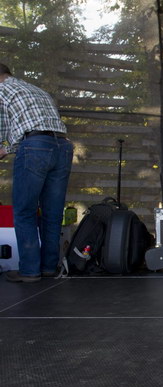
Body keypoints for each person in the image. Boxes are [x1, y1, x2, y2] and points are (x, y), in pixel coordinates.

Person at [0, 63, 74, 283]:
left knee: (25, 211)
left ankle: (29, 270)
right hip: (63, 146)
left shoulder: (2, 90)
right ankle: (49, 267)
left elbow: (3, 126)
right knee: (52, 212)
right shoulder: (36, 90)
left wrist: (3, 148)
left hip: (35, 146)